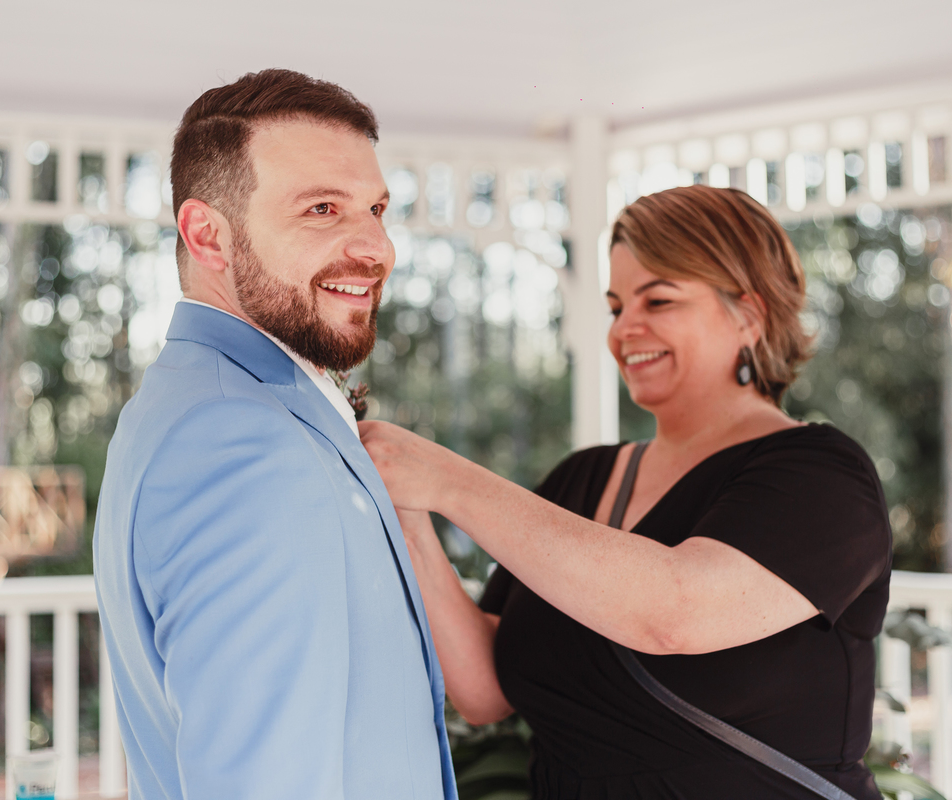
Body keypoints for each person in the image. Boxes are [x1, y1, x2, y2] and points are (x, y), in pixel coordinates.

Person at [361, 186, 892, 799]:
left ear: (748, 314)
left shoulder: (821, 476)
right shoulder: (582, 479)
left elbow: (674, 613)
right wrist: (410, 509)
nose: (624, 330)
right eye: (616, 307)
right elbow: (483, 692)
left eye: (658, 300)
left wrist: (450, 479)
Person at [93, 70, 455, 800]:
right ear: (208, 236)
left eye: (376, 208)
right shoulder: (239, 443)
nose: (376, 247)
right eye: (323, 208)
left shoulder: (193, 403)